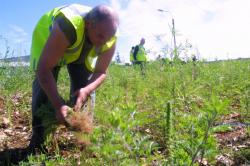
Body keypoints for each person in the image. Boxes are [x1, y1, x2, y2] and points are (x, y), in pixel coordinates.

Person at [29, 4, 119, 152]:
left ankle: (83, 137)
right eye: (100, 36)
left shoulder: (109, 34)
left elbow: (101, 71)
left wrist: (86, 90)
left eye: (107, 38)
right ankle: (38, 139)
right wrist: (58, 105)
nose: (104, 42)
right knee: (43, 91)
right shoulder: (68, 26)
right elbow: (44, 69)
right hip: (50, 43)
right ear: (88, 24)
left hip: (78, 53)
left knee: (85, 95)